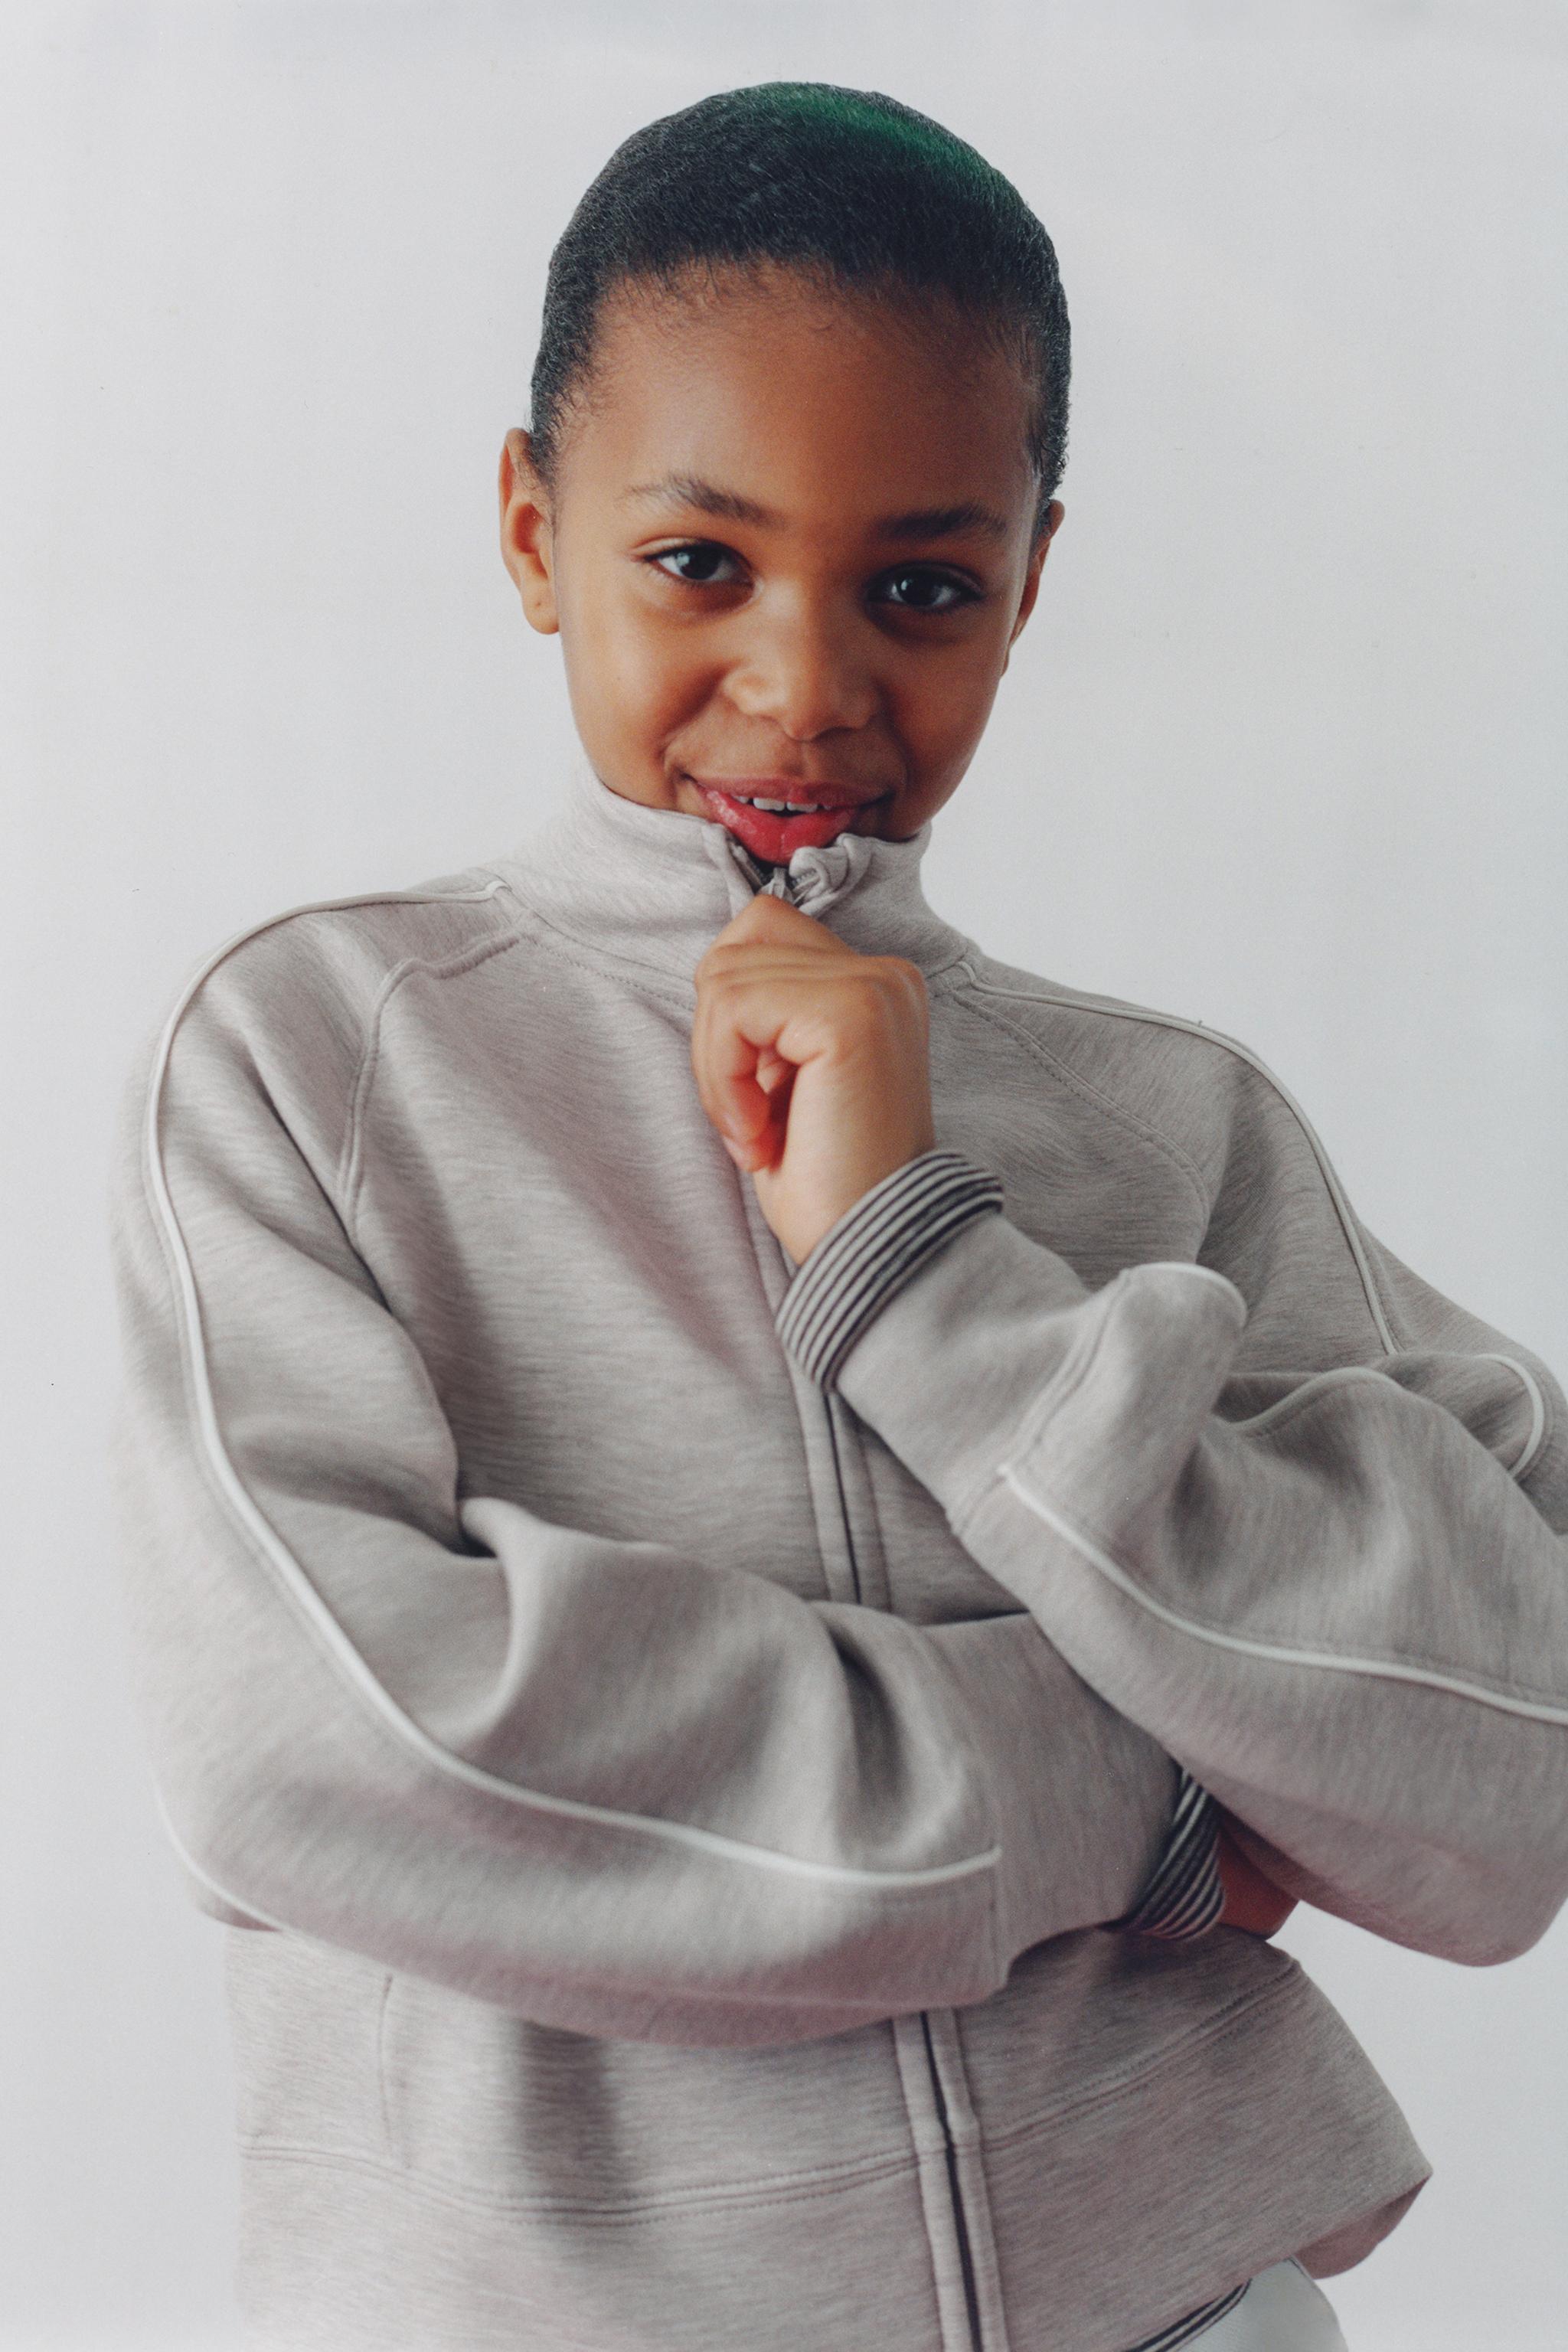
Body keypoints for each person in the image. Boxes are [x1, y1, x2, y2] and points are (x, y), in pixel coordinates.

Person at [108, 83, 1568, 2352]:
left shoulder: (1173, 1122)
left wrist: (930, 1271)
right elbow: (328, 1759)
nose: (804, 685)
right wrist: (1147, 1800)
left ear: (1028, 578)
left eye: (918, 584)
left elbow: (1513, 1765)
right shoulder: (314, 1057)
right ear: (528, 527)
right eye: (700, 562)